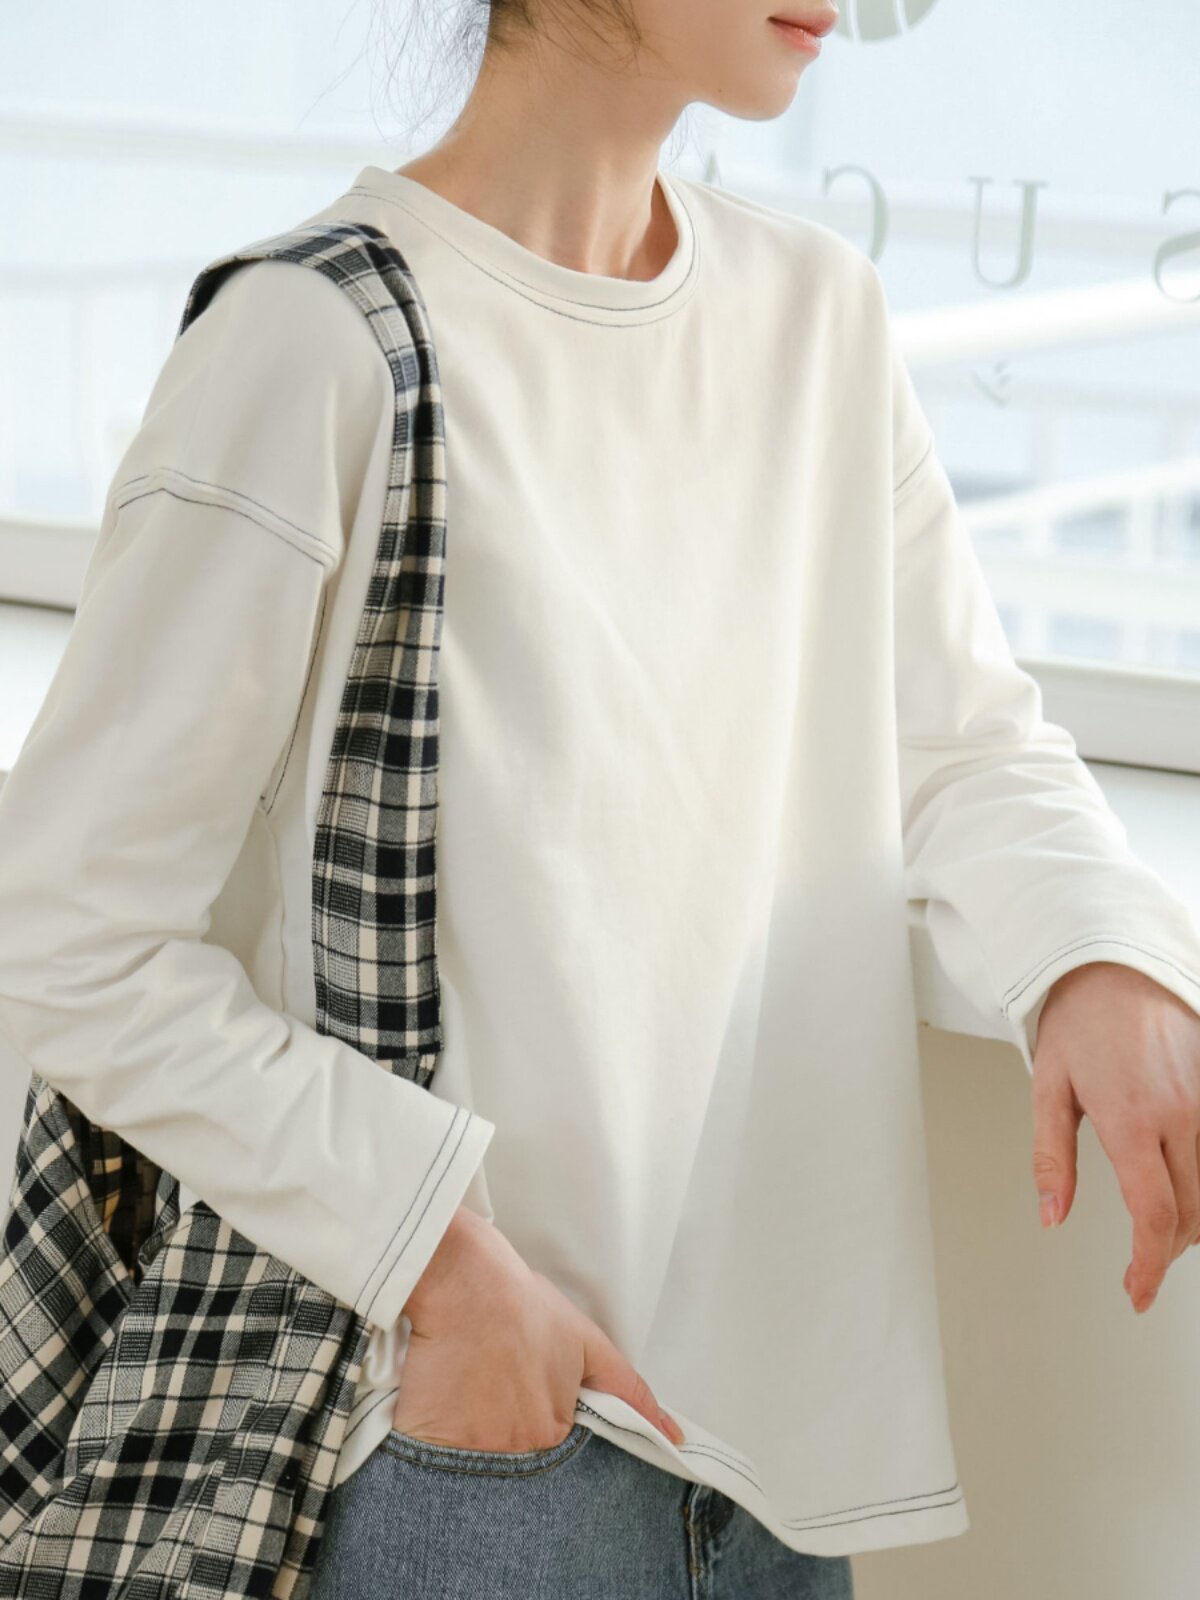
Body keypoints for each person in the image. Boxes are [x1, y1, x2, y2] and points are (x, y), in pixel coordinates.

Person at [3, 0, 1200, 1595]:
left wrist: (1097, 954)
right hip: (466, 1450)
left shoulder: (813, 318)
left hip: (778, 1468)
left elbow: (962, 741)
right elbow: (69, 933)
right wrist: (446, 1267)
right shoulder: (313, 344)